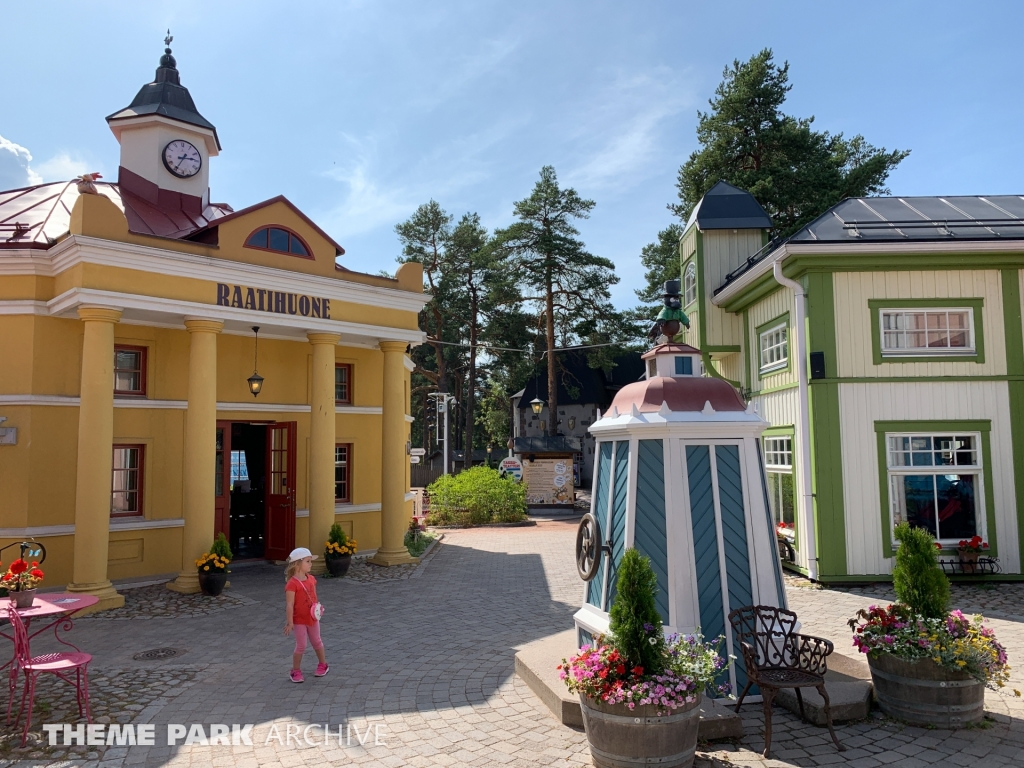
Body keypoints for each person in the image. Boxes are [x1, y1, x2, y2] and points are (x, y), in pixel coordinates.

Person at [283, 547, 328, 682]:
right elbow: (290, 605)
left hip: (312, 618)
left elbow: (314, 597)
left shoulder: (311, 579)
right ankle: (295, 670)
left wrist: (317, 609)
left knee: (316, 641)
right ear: (298, 564)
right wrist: (290, 622)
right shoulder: (292, 584)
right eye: (308, 561)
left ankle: (323, 664)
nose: (311, 564)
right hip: (299, 620)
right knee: (301, 645)